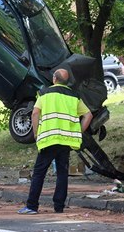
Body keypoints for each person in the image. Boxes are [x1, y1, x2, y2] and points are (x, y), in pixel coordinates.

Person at [18, 68, 93, 215]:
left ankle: (32, 206)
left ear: (54, 79)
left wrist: (36, 133)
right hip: (65, 141)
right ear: (66, 81)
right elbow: (88, 115)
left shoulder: (44, 93)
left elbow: (35, 113)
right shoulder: (74, 96)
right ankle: (59, 207)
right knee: (62, 173)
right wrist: (78, 131)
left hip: (49, 139)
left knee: (39, 172)